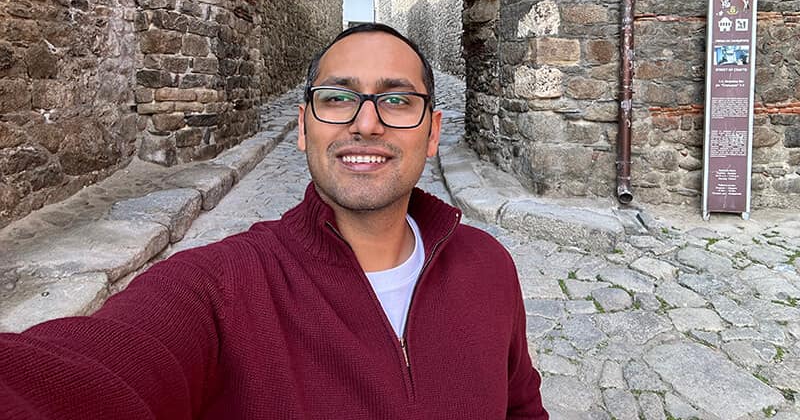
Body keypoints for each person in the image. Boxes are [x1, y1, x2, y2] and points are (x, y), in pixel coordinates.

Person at [0, 24, 548, 419]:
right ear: (305, 128)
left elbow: (522, 406)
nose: (366, 124)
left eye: (397, 102)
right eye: (337, 99)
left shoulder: (487, 266)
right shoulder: (220, 288)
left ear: (431, 133)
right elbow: (88, 373)